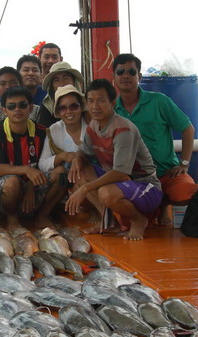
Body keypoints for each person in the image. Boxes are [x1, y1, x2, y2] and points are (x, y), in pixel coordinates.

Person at [65, 79, 163, 241]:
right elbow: (84, 152)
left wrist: (84, 189)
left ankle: (138, 220)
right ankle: (109, 222)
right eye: (91, 101)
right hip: (121, 183)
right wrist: (77, 159)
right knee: (79, 170)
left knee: (105, 193)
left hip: (146, 186)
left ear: (113, 103)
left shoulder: (123, 129)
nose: (95, 106)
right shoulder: (93, 125)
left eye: (101, 101)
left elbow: (120, 172)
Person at [112, 53, 198, 225]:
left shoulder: (159, 101)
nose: (126, 76)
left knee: (188, 193)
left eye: (131, 71)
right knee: (131, 222)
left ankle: (164, 203)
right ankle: (156, 208)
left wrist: (184, 163)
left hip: (167, 172)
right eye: (120, 72)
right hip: (135, 178)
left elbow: (188, 128)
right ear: (113, 77)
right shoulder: (112, 109)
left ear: (140, 76)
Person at [0, 87, 66, 230]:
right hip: (8, 190)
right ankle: (12, 219)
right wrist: (26, 170)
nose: (17, 109)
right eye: (11, 106)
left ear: (30, 108)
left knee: (62, 173)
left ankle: (43, 216)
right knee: (11, 183)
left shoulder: (42, 131)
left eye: (22, 105)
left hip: (35, 184)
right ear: (4, 110)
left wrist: (30, 185)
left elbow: (47, 163)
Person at [38, 85, 88, 175]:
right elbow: (42, 165)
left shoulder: (91, 125)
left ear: (81, 107)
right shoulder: (54, 130)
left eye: (74, 106)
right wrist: (63, 156)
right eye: (62, 108)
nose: (69, 111)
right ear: (58, 112)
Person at [39, 61, 85, 128]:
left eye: (66, 78)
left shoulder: (86, 102)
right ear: (52, 86)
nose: (62, 84)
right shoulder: (47, 107)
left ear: (74, 82)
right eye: (56, 80)